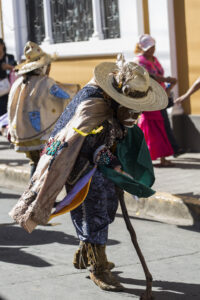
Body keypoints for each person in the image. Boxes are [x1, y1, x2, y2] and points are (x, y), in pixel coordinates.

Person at [9, 54, 168, 292]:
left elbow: (118, 133)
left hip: (101, 165)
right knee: (93, 212)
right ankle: (98, 267)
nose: (136, 114)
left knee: (107, 209)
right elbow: (84, 144)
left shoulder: (113, 105)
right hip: (78, 165)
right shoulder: (93, 106)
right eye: (132, 107)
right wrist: (112, 161)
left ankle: (88, 252)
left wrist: (116, 156)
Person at [7, 41, 74, 176]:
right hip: (46, 136)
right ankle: (44, 194)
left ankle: (33, 193)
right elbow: (65, 96)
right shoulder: (46, 82)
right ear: (43, 67)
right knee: (49, 163)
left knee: (35, 163)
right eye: (48, 66)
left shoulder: (18, 83)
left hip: (24, 135)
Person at [134, 34, 179, 166]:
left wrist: (169, 87)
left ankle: (163, 158)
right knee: (150, 127)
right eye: (148, 48)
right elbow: (149, 77)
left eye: (152, 47)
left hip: (160, 96)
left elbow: (160, 77)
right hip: (147, 98)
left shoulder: (155, 59)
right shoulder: (139, 61)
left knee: (162, 126)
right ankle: (149, 158)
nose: (151, 50)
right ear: (142, 48)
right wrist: (166, 80)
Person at [0, 38, 16, 117]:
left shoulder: (10, 57)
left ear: (2, 45)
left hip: (10, 90)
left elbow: (17, 69)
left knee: (10, 113)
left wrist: (9, 67)